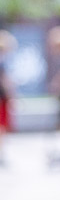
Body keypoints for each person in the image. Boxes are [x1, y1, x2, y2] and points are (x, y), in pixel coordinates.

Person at [0, 30, 16, 164]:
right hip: (1, 98)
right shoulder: (2, 61)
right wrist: (12, 96)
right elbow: (5, 81)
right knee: (1, 126)